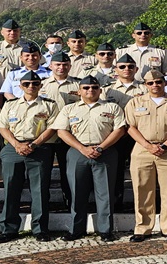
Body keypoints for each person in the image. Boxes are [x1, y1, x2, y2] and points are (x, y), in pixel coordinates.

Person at [52, 76, 128, 242]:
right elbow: (62, 131)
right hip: (78, 152)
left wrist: (101, 147)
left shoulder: (112, 107)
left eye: (94, 87)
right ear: (79, 91)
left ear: (100, 90)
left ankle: (105, 230)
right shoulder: (69, 109)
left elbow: (119, 130)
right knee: (77, 192)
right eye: (86, 88)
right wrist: (82, 148)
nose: (90, 90)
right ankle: (76, 229)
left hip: (105, 152)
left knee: (105, 193)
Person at [0, 71, 60, 243]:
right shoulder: (10, 105)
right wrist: (16, 144)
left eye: (35, 83)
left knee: (39, 190)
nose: (31, 86)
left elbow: (52, 128)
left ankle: (40, 229)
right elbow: (2, 127)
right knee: (11, 189)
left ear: (40, 86)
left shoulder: (49, 105)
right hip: (13, 148)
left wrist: (34, 144)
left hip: (39, 148)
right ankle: (8, 229)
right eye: (27, 84)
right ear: (20, 86)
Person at [125, 70, 167, 242]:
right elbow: (130, 127)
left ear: (165, 83)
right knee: (142, 188)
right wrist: (148, 146)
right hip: (142, 149)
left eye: (158, 82)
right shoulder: (135, 102)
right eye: (150, 83)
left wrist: (166, 145)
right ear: (145, 85)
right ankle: (142, 228)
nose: (155, 85)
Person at [101, 55, 147, 209]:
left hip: (139, 135)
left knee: (142, 170)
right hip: (116, 135)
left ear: (136, 69)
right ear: (116, 69)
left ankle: (142, 203)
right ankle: (116, 203)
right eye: (122, 66)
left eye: (130, 66)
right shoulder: (107, 89)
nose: (126, 69)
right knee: (116, 170)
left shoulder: (145, 88)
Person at [39, 51, 82, 212]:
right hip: (46, 135)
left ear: (70, 66)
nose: (61, 67)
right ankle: (44, 206)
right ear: (50, 66)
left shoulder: (79, 84)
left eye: (65, 64)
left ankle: (70, 204)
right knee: (43, 173)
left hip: (70, 135)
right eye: (58, 64)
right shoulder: (41, 84)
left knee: (69, 172)